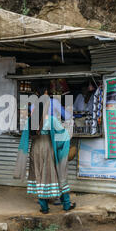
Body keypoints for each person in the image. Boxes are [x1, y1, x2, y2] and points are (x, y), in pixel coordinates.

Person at [14, 84, 76, 214]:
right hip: (48, 149)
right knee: (58, 173)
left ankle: (44, 207)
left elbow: (26, 136)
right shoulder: (52, 120)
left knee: (38, 175)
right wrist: (65, 142)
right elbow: (63, 134)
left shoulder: (32, 120)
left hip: (34, 149)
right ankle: (66, 204)